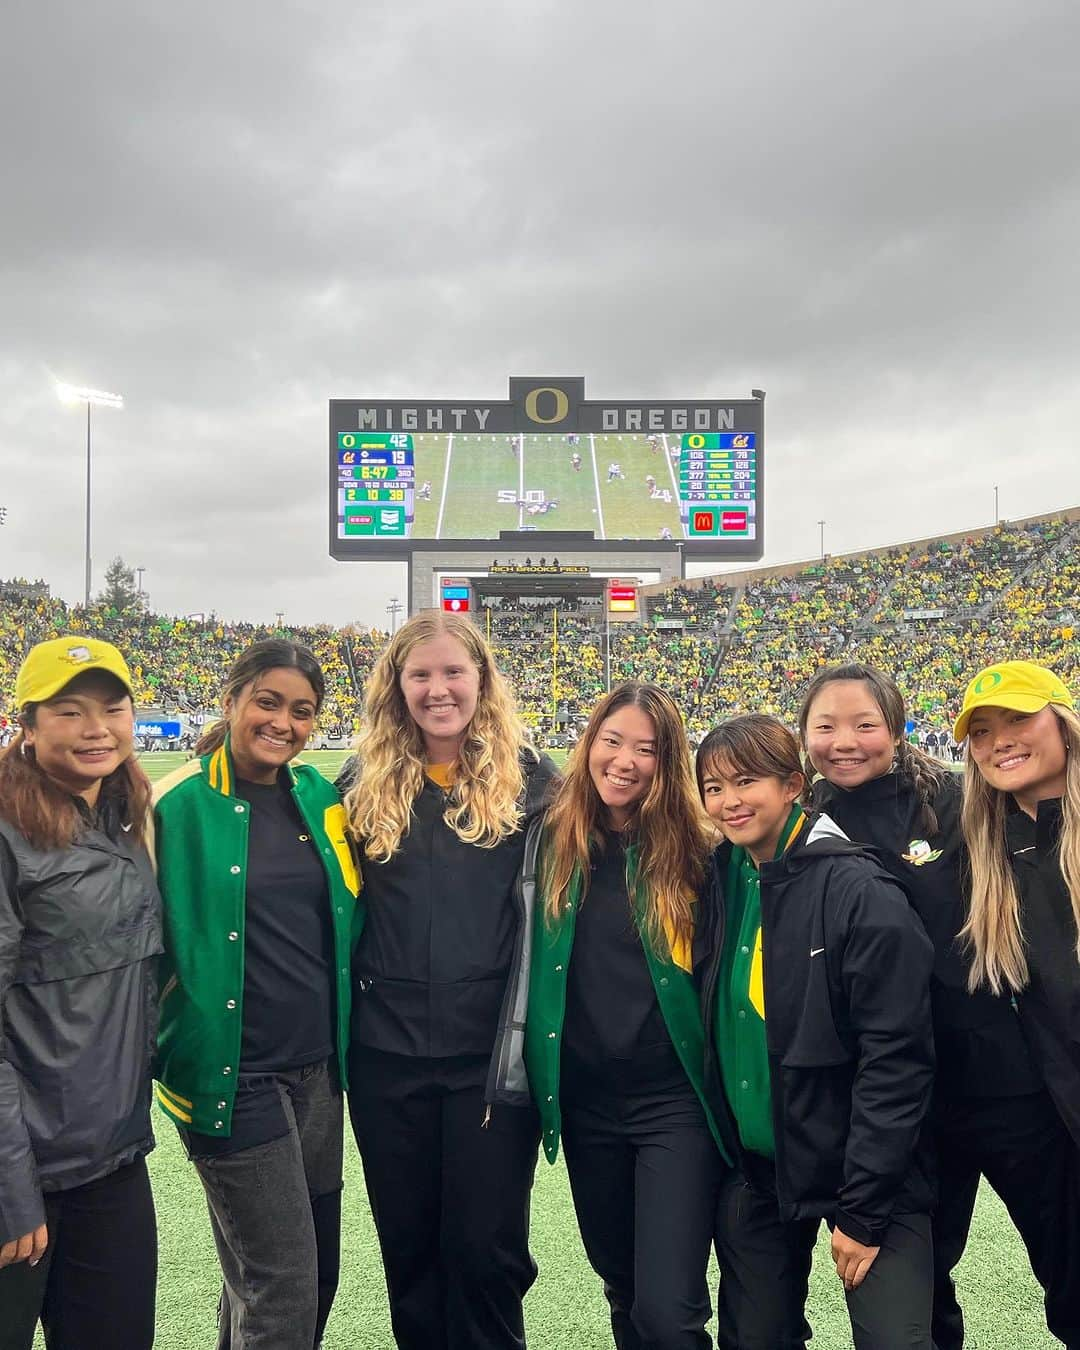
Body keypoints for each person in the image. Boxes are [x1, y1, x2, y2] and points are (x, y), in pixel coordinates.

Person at [800, 662, 1080, 1350]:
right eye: (826, 725)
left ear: (896, 730)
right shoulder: (800, 824)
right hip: (901, 1107)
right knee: (922, 1292)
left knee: (1070, 1274)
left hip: (1010, 1088)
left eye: (865, 724)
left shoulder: (960, 806)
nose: (846, 741)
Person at [340, 611, 558, 1350]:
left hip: (490, 1063)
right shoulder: (360, 783)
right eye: (421, 674)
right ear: (396, 687)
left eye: (453, 672)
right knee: (410, 1249)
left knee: (487, 1251)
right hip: (387, 1059)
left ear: (482, 680)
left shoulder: (531, 780)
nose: (438, 689)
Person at [696, 713, 935, 1350]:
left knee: (897, 1340)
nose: (729, 801)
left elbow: (897, 1059)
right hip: (763, 1170)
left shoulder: (860, 890)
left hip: (864, 1175)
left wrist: (864, 1207)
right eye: (713, 788)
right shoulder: (721, 878)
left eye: (746, 781)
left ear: (794, 784)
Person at [153, 639, 360, 1350]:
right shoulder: (176, 806)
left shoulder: (318, 795)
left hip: (317, 1075)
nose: (283, 723)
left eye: (301, 711)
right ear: (233, 700)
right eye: (267, 702)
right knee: (285, 1289)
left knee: (293, 1278)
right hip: (230, 1078)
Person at [525, 681, 726, 1349]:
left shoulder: (700, 851)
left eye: (646, 748)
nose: (625, 760)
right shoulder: (549, 840)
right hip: (588, 1105)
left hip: (674, 1102)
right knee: (623, 1287)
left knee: (669, 1312)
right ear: (589, 746)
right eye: (612, 741)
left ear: (667, 764)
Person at [0, 637, 161, 1350]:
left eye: (112, 708)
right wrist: (8, 1185)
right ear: (27, 727)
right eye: (69, 710)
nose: (97, 728)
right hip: (23, 1167)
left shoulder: (126, 821)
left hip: (112, 1161)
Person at [953, 660, 1080, 1340]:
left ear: (1062, 722)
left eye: (1019, 719)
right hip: (1053, 1129)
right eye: (982, 731)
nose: (999, 740)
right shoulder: (988, 852)